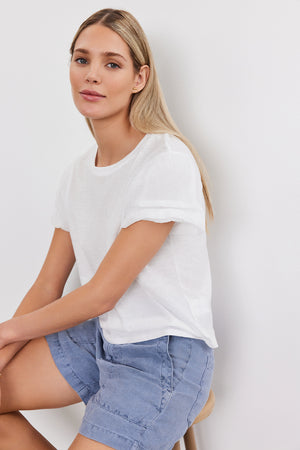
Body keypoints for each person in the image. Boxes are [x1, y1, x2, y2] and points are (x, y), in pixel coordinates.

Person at [0, 8, 218, 450]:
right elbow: (47, 285)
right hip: (100, 336)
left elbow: (102, 292)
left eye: (111, 64)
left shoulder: (165, 160)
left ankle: (171, 402)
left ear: (140, 78)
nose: (92, 76)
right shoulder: (77, 173)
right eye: (82, 60)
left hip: (163, 355)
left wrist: (5, 333)